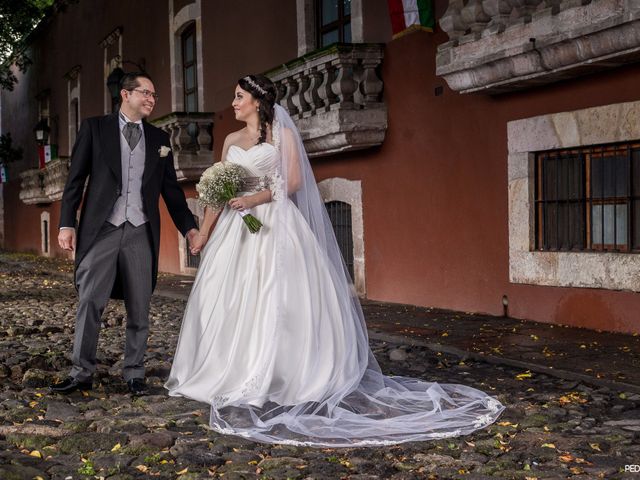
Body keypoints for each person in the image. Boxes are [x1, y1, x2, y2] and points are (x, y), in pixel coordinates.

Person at [166, 74, 504, 446]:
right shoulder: (230, 140)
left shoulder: (283, 135)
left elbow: (291, 183)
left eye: (239, 96)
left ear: (258, 102)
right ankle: (227, 372)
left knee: (280, 300)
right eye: (234, 96)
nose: (233, 103)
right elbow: (218, 190)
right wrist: (204, 235)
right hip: (236, 229)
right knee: (228, 299)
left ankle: (281, 373)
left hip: (274, 224)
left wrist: (253, 200)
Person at [51, 72, 199, 396]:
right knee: (89, 300)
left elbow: (171, 192)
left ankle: (134, 373)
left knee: (140, 305)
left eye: (154, 95)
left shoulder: (160, 139)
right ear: (126, 94)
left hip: (140, 230)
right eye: (145, 93)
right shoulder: (94, 128)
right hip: (102, 228)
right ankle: (81, 372)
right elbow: (75, 180)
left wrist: (189, 227)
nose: (151, 99)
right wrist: (66, 224)